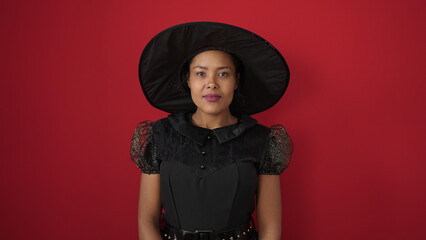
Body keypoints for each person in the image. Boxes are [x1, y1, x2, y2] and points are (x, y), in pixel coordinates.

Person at [130, 22, 294, 240]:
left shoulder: (262, 140)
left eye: (223, 74)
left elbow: (271, 229)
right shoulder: (159, 135)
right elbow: (147, 221)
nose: (211, 84)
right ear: (187, 80)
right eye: (200, 74)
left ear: (237, 81)